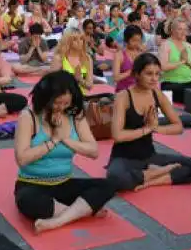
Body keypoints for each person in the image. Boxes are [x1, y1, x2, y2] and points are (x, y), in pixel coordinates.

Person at [14, 71, 117, 233]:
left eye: (66, 103)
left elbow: (93, 151)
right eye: (56, 103)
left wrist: (65, 139)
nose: (61, 108)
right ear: (45, 98)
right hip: (33, 184)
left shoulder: (75, 116)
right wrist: (53, 140)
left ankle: (58, 221)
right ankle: (81, 211)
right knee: (28, 202)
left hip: (64, 183)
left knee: (109, 184)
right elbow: (22, 158)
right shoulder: (29, 116)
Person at [107, 53, 191, 191]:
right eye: (149, 74)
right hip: (124, 158)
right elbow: (117, 136)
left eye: (157, 74)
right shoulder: (123, 97)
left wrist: (156, 129)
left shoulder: (156, 93)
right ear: (136, 74)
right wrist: (147, 129)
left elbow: (178, 126)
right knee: (115, 180)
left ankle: (150, 180)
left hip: (150, 157)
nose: (154, 79)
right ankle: (158, 172)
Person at [50, 28, 94, 95]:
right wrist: (72, 79)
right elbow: (52, 84)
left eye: (81, 38)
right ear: (68, 41)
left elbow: (90, 86)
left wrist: (80, 80)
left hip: (82, 97)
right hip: (63, 98)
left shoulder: (87, 58)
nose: (79, 42)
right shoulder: (59, 58)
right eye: (75, 39)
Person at [112, 25, 146, 92]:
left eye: (139, 41)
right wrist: (131, 72)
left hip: (139, 91)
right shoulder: (119, 55)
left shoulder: (141, 54)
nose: (137, 43)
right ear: (126, 40)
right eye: (134, 40)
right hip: (123, 92)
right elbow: (115, 78)